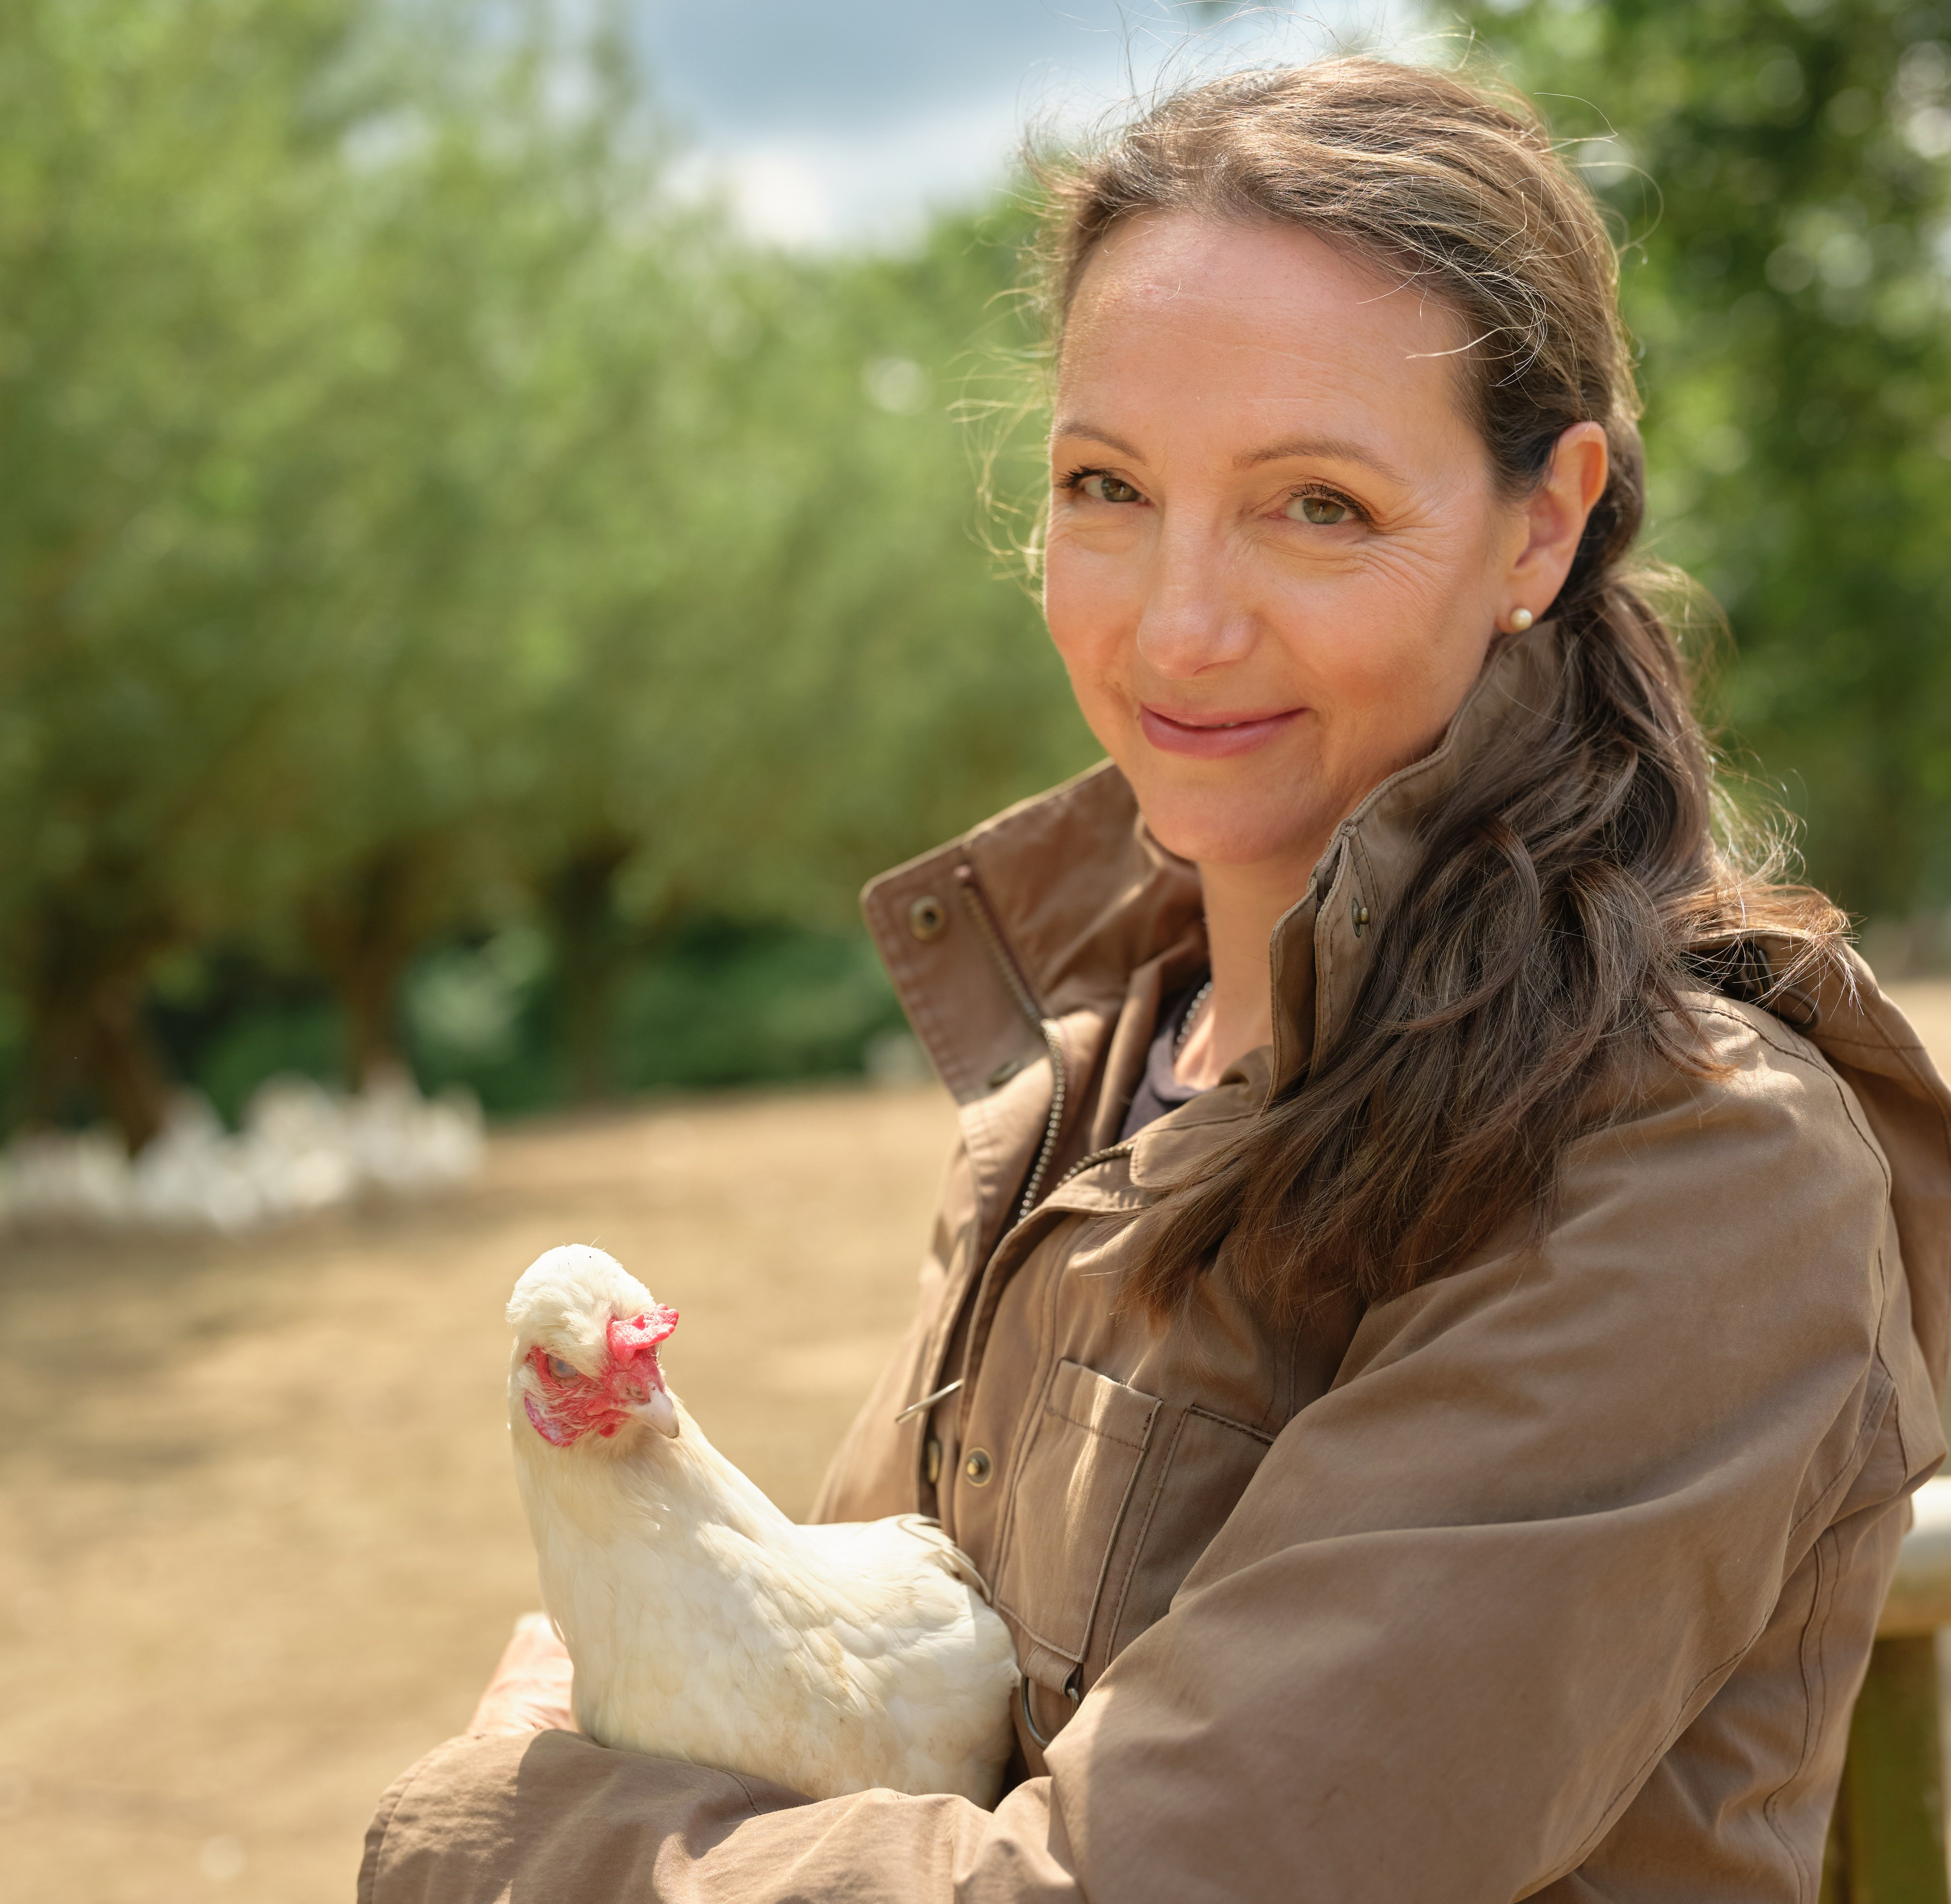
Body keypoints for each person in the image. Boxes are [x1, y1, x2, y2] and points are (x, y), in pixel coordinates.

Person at [360, 58, 1951, 1902]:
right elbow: (856, 1721)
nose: (1176, 624)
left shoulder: (1684, 1172)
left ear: (1541, 520)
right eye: (1106, 485)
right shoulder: (1100, 1061)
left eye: (1317, 507)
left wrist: (502, 1828)